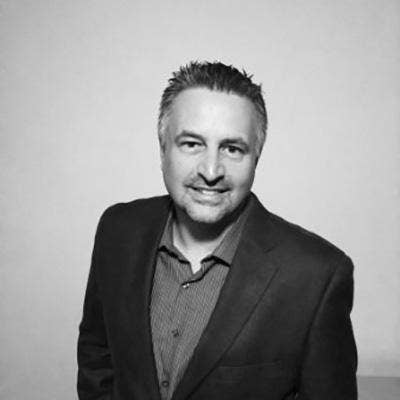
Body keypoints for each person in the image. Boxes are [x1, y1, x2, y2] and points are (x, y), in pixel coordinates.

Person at [77, 61, 357, 400]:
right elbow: (97, 355)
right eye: (192, 144)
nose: (211, 171)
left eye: (232, 149)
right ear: (163, 148)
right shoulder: (117, 231)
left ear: (256, 158)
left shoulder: (316, 275)